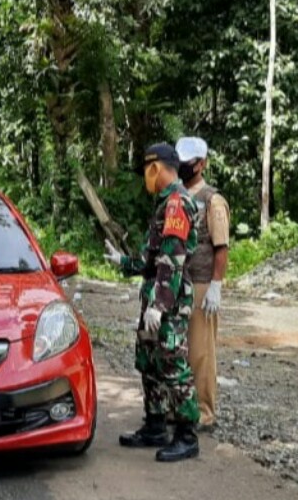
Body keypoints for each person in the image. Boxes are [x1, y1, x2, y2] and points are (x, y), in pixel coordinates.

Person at [105, 141, 200, 462]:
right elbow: (152, 260)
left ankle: (187, 434)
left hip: (169, 303)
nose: (145, 176)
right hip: (156, 299)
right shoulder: (163, 204)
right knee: (149, 363)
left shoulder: (177, 204)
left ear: (156, 168)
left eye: (147, 169)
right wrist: (123, 262)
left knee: (173, 364)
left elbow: (172, 260)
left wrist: (159, 306)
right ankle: (156, 424)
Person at [176, 135, 230, 431]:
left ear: (201, 164)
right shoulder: (178, 195)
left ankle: (205, 413)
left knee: (200, 351)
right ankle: (181, 408)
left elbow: (221, 248)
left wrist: (216, 286)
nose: (184, 166)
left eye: (189, 162)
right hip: (178, 282)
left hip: (200, 283)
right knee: (179, 349)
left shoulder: (212, 200)